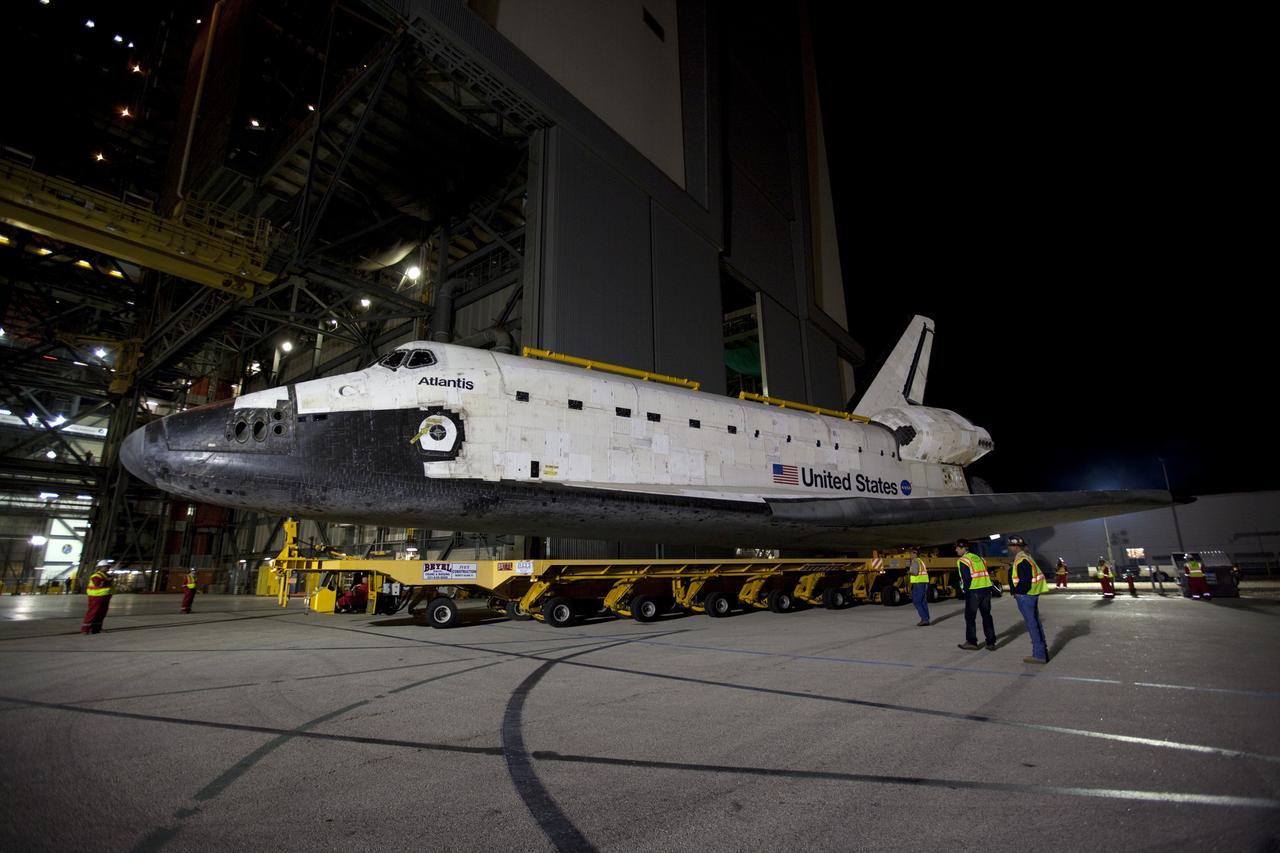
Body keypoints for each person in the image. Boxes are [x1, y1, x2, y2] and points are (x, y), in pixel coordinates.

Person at [1007, 535, 1048, 664]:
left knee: (1032, 625)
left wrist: (1018, 593)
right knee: (1036, 623)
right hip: (1032, 594)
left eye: (1010, 546)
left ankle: (1039, 655)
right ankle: (1042, 652)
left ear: (1014, 547)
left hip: (1026, 596)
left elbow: (1025, 581)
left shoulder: (1021, 560)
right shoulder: (1026, 557)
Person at [954, 540, 997, 651]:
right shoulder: (979, 558)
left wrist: (965, 591)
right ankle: (991, 642)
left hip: (974, 591)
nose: (956, 550)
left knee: (970, 618)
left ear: (963, 548)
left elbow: (966, 579)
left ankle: (972, 642)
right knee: (987, 616)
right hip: (986, 590)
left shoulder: (963, 560)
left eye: (957, 548)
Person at [80, 563, 114, 634]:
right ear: (100, 567)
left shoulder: (107, 575)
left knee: (101, 613)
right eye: (105, 566)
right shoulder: (96, 576)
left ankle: (97, 628)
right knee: (93, 612)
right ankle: (85, 629)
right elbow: (99, 584)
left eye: (108, 566)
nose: (107, 567)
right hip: (96, 596)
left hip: (105, 595)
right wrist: (109, 580)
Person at [906, 545, 931, 626]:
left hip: (918, 583)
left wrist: (908, 572)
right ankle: (926, 618)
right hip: (923, 582)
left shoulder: (915, 561)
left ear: (914, 553)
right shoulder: (920, 560)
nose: (910, 554)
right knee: (923, 601)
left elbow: (915, 573)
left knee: (916, 601)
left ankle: (924, 619)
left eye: (911, 553)